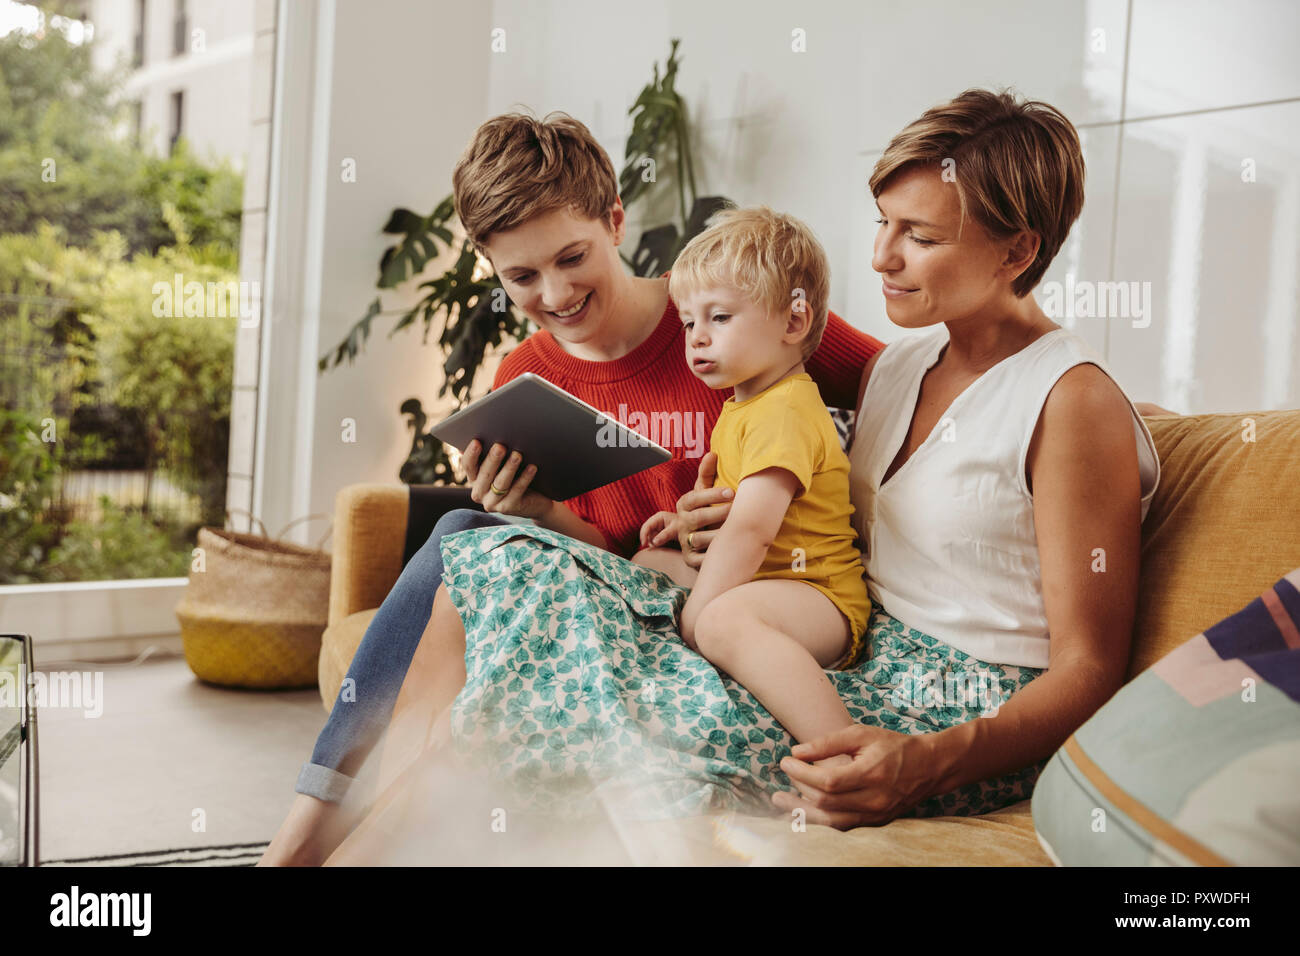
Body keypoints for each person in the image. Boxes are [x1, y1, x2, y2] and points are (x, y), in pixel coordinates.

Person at [315, 87, 1164, 862]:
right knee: (501, 570)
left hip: (947, 706)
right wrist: (709, 516)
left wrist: (920, 763)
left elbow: (1090, 670)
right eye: (883, 223)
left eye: (920, 236)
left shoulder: (1073, 402)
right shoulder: (900, 369)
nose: (879, 258)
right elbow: (795, 454)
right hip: (839, 654)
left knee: (560, 692)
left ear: (1019, 249)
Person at [260, 111, 881, 865]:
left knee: (459, 543)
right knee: (468, 532)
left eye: (571, 256)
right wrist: (537, 513)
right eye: (521, 276)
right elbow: (597, 555)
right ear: (493, 271)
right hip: (625, 589)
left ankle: (312, 841)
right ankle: (326, 830)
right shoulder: (525, 377)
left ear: (615, 221)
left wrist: (799, 488)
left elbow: (907, 386)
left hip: (732, 599)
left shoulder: (724, 315)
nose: (554, 293)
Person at [630, 207, 871, 763]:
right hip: (766, 581)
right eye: (690, 322)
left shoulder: (784, 410)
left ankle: (842, 754)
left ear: (793, 322)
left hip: (819, 597)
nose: (697, 339)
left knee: (719, 620)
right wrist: (683, 524)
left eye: (719, 318)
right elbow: (731, 506)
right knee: (646, 564)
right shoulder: (743, 404)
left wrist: (698, 615)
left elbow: (753, 532)